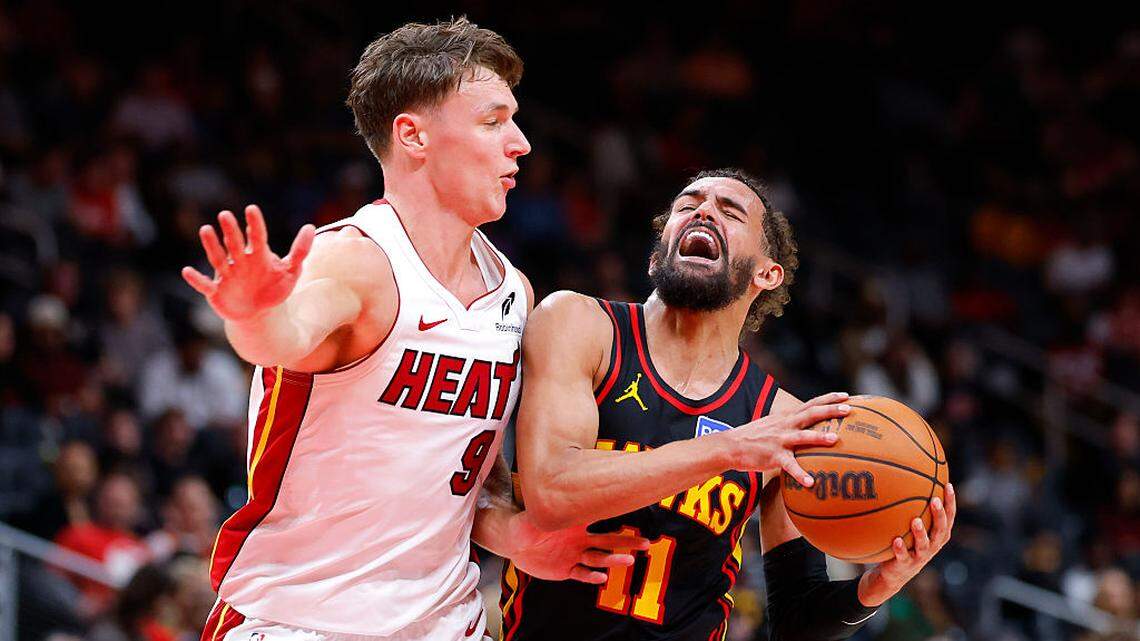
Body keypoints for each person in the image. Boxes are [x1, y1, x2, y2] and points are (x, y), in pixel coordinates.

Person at [181, 18, 644, 641]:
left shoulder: (512, 289)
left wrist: (514, 534)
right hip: (301, 618)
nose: (521, 143)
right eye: (493, 120)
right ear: (413, 135)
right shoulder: (358, 259)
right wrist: (252, 312)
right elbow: (281, 338)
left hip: (448, 622)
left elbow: (469, 472)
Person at [501, 168, 956, 640]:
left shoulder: (781, 421)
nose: (703, 210)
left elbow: (796, 619)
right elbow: (552, 493)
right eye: (687, 205)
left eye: (730, 211)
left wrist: (876, 587)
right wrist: (729, 450)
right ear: (658, 254)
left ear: (766, 272)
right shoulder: (580, 325)